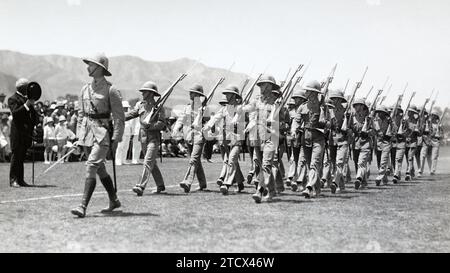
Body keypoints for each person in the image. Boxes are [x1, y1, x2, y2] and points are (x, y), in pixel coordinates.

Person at [70, 53, 125, 218]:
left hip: (102, 134)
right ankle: (114, 200)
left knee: (91, 165)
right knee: (100, 169)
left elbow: (119, 118)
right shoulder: (84, 89)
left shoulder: (111, 90)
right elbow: (81, 116)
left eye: (90, 65)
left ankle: (82, 206)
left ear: (99, 68)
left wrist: (116, 139)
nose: (87, 67)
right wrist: (79, 138)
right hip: (87, 134)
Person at [241, 75, 281, 203]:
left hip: (271, 137)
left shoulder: (276, 102)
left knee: (266, 165)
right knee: (260, 164)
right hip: (258, 137)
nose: (261, 87)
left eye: (264, 85)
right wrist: (240, 108)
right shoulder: (256, 100)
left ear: (270, 86)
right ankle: (272, 190)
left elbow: (282, 119)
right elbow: (248, 108)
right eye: (261, 85)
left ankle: (259, 190)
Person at [126, 81, 167, 196]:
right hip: (143, 138)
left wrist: (151, 126)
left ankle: (140, 185)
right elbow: (132, 114)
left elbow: (162, 123)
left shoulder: (159, 107)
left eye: (144, 91)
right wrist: (118, 117)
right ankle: (160, 185)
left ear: (150, 93)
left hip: (154, 138)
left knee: (147, 161)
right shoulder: (140, 105)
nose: (142, 93)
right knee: (152, 163)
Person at [173, 84, 208, 193]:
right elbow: (181, 118)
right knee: (195, 160)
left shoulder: (204, 108)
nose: (190, 94)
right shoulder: (187, 107)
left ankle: (187, 182)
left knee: (193, 159)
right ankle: (203, 184)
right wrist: (176, 128)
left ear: (198, 95)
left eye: (192, 92)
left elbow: (207, 121)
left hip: (199, 136)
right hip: (188, 136)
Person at [8, 78, 39, 188]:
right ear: (22, 87)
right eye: (27, 87)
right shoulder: (12, 99)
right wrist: (26, 105)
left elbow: (33, 116)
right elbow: (16, 114)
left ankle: (20, 180)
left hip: (25, 134)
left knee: (21, 158)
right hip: (17, 133)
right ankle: (13, 180)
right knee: (16, 157)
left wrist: (32, 107)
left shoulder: (27, 100)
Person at [116, 100, 132, 165]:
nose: (126, 108)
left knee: (126, 147)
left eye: (126, 107)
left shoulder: (129, 113)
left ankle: (123, 160)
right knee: (120, 147)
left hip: (128, 132)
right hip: (121, 132)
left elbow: (130, 124)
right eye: (124, 107)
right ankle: (118, 160)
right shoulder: (118, 113)